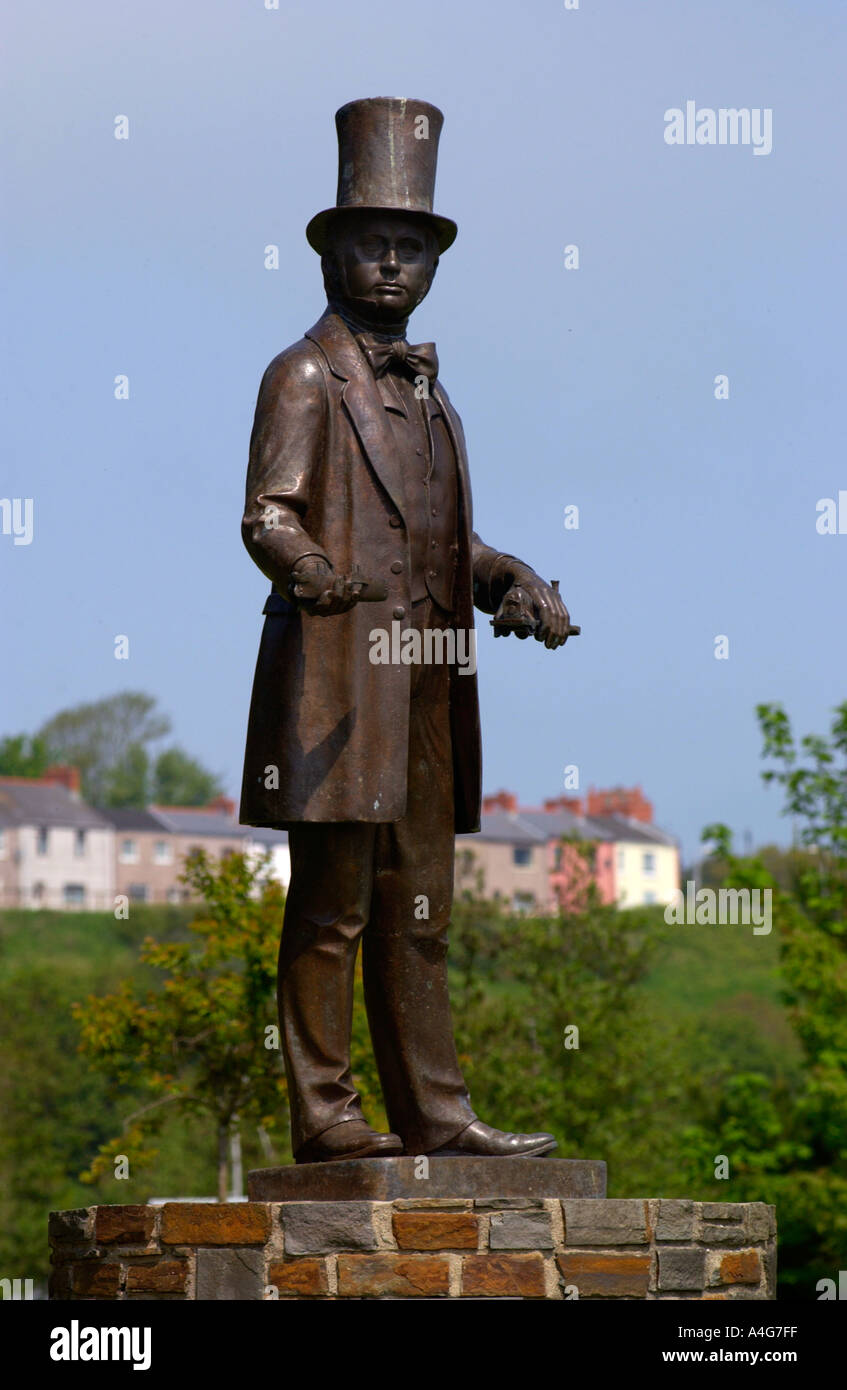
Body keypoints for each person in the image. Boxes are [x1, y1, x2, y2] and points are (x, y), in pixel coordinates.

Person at [240, 98, 573, 1163]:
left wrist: (507, 576)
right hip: (337, 688)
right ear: (332, 253)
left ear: (431, 264)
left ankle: (438, 1113)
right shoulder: (304, 374)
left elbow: (444, 546)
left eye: (409, 247)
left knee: (419, 908)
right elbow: (268, 512)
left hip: (428, 686)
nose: (390, 264)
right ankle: (327, 1112)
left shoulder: (437, 400)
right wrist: (310, 571)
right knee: (332, 909)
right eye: (370, 244)